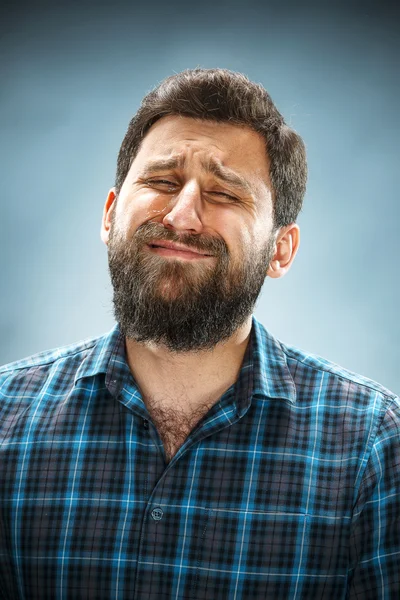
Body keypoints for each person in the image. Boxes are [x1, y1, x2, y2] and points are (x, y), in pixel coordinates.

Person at [0, 68, 398, 600]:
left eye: (225, 193)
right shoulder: (5, 418)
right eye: (163, 182)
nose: (183, 215)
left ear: (281, 249)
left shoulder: (375, 447)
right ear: (110, 215)